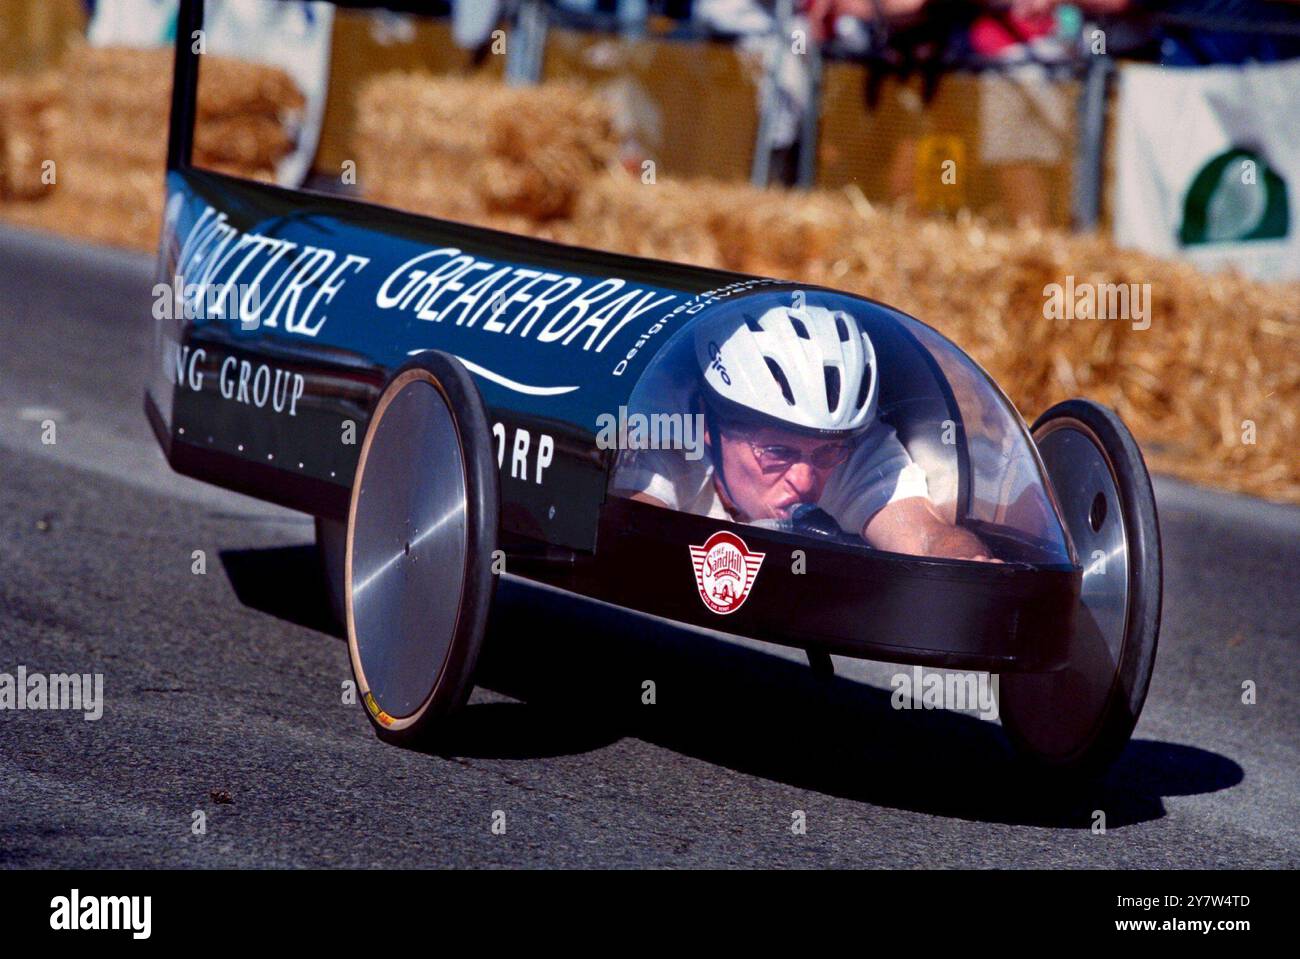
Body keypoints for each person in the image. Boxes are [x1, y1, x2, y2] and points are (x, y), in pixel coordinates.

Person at [611, 304, 1001, 561]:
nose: (805, 480)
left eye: (827, 452)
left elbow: (928, 538)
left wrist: (975, 565)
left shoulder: (849, 448)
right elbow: (627, 541)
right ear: (708, 422)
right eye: (778, 450)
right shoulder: (663, 429)